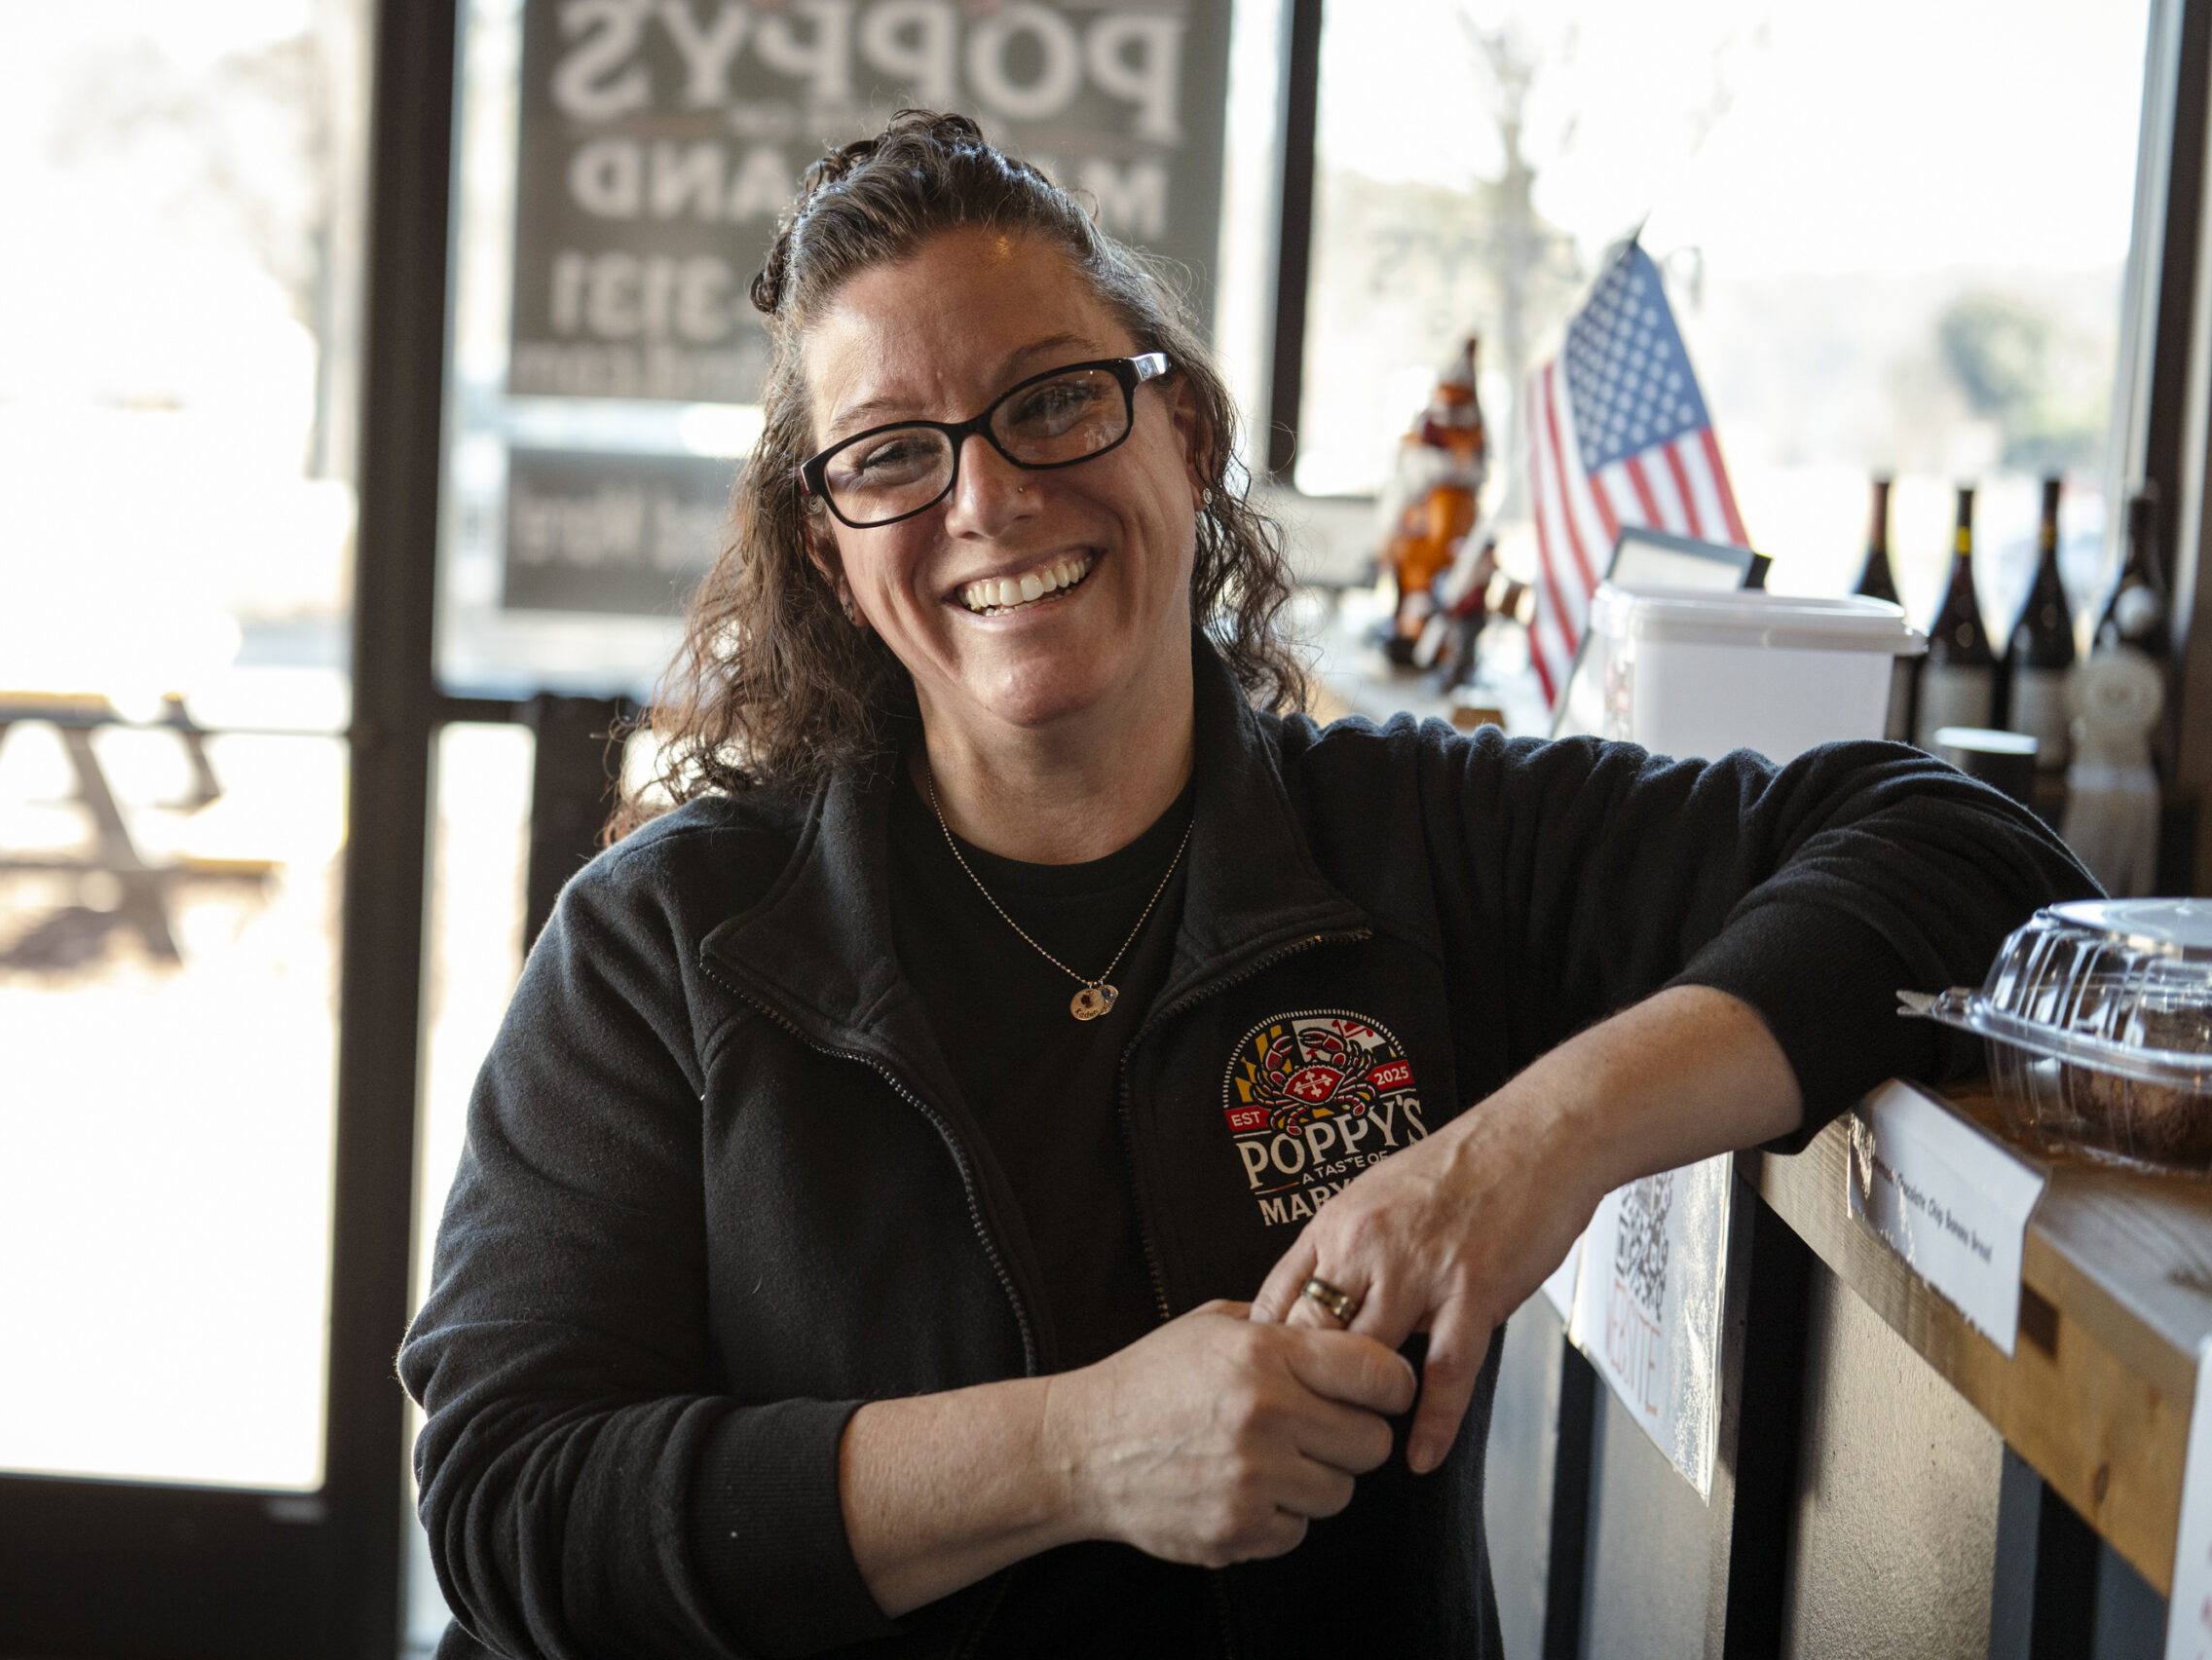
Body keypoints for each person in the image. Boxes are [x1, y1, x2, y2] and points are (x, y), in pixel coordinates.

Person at [399, 112, 2093, 1660]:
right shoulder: (664, 944)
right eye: (894, 454)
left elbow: (1969, 855)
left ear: (1187, 433)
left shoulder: (1422, 839)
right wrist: (1079, 1451)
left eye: (1053, 400)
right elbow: (510, 1500)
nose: (990, 497)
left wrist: (1523, 1151)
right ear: (832, 551)